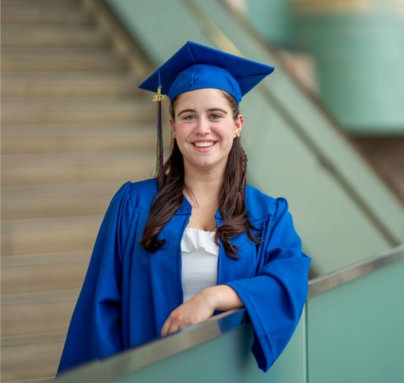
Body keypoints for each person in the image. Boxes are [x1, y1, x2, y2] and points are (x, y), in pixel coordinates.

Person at [57, 41, 311, 374]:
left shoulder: (269, 215)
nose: (202, 129)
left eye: (215, 115)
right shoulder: (132, 206)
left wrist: (214, 296)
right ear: (174, 127)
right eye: (189, 116)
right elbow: (101, 308)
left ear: (237, 125)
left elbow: (289, 279)